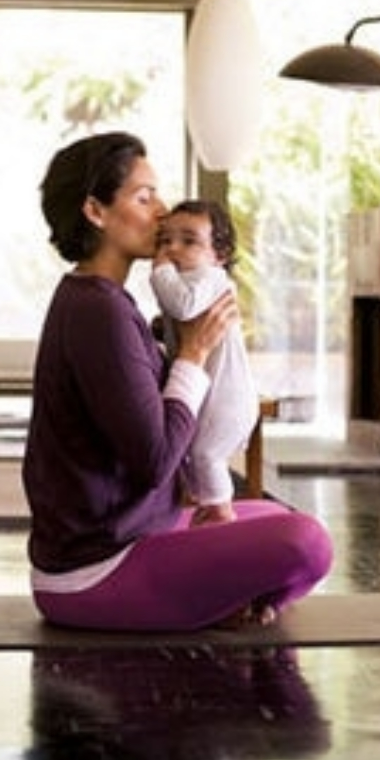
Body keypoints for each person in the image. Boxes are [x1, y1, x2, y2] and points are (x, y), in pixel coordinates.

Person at [21, 131, 333, 632]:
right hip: (98, 571)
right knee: (306, 542)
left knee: (265, 516)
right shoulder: (98, 312)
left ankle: (241, 602)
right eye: (144, 198)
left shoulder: (102, 301)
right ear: (96, 212)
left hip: (133, 540)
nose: (162, 211)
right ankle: (235, 600)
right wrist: (194, 350)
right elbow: (156, 461)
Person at [151, 199, 257, 526]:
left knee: (205, 455)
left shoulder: (212, 277)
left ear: (219, 256)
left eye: (189, 240)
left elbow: (183, 306)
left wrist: (160, 270)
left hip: (227, 398)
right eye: (164, 240)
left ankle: (222, 513)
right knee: (193, 454)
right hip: (211, 395)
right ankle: (204, 508)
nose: (172, 249)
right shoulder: (195, 282)